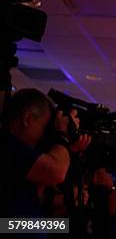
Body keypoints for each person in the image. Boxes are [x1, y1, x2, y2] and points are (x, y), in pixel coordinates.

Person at [0, 88, 90, 218]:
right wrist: (63, 135)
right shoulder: (8, 146)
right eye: (45, 126)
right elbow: (56, 172)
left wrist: (67, 201)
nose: (45, 134)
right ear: (28, 118)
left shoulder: (23, 152)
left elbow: (32, 205)